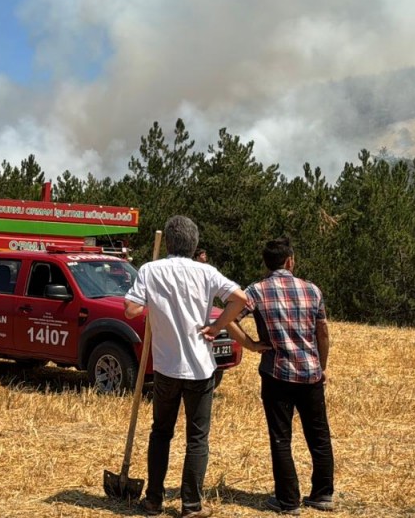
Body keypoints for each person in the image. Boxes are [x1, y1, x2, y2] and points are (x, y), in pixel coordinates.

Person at [124, 216, 247, 518]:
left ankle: (153, 500)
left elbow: (130, 310)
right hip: (201, 369)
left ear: (167, 242)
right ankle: (191, 505)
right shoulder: (206, 272)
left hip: (166, 367)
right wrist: (217, 326)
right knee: (197, 439)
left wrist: (154, 303)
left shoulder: (151, 270)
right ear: (194, 245)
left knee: (161, 433)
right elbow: (240, 299)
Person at [234, 238, 335, 514]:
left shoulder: (255, 291)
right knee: (319, 435)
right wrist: (321, 366)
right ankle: (323, 493)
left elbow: (229, 319)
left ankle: (288, 500)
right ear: (290, 260)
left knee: (281, 437)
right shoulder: (312, 290)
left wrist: (251, 344)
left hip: (276, 373)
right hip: (310, 374)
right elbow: (322, 331)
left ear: (266, 263)